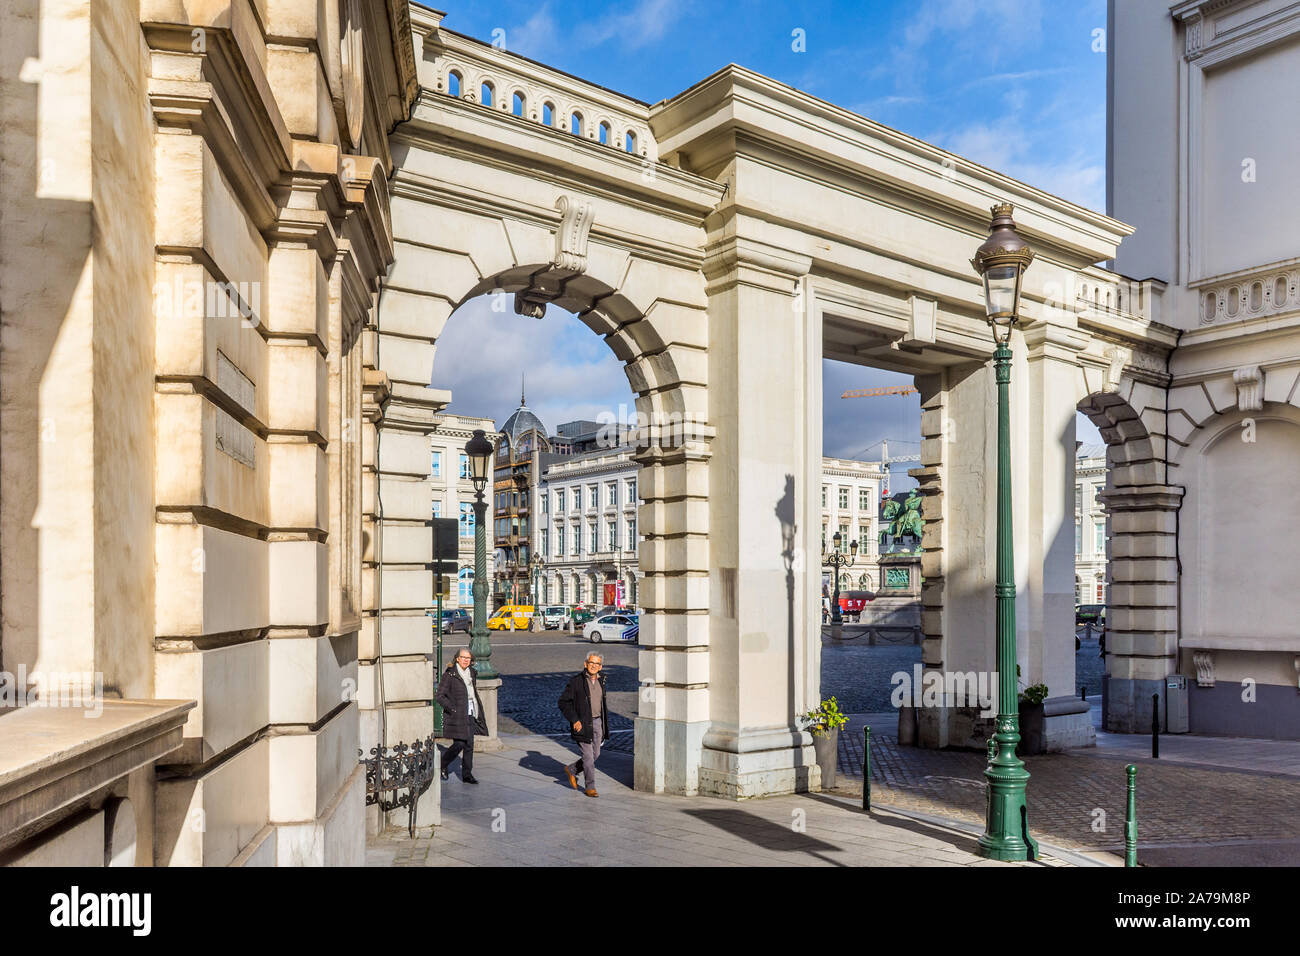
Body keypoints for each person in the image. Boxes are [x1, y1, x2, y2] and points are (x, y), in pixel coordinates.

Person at [558, 652, 609, 797]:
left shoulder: (602, 680)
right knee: (588, 756)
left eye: (597, 664)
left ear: (600, 667)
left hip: (598, 722)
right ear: (585, 664)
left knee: (596, 754)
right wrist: (575, 720)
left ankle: (572, 769)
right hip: (582, 723)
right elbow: (563, 702)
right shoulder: (576, 682)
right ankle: (590, 787)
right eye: (591, 662)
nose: (593, 665)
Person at [436, 647, 487, 783]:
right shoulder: (450, 674)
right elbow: (439, 696)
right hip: (457, 714)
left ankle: (467, 775)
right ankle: (442, 764)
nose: (465, 660)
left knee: (469, 744)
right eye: (463, 657)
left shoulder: (472, 673)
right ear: (457, 659)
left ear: (471, 660)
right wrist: (452, 708)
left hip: (470, 711)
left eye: (468, 658)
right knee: (459, 743)